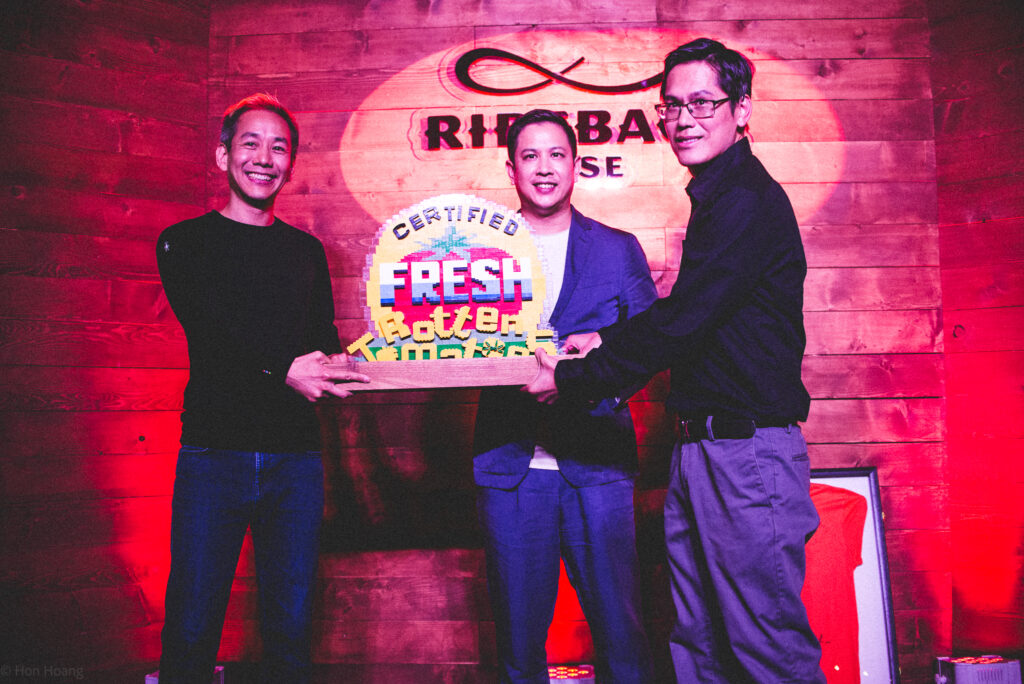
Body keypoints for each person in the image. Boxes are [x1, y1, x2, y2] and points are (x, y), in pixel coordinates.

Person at [524, 39, 827, 683]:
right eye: (672, 106)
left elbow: (684, 321)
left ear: (741, 110)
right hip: (700, 454)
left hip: (745, 458)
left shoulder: (745, 198)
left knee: (766, 650)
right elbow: (697, 313)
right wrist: (605, 343)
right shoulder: (718, 198)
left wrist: (573, 377)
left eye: (703, 103)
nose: (684, 118)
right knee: (700, 646)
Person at [156, 93, 368, 683]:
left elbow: (321, 342)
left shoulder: (306, 251)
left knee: (291, 630)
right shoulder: (183, 242)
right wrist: (286, 369)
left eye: (279, 147)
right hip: (213, 457)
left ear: (291, 165)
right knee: (192, 629)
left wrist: (372, 360)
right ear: (223, 156)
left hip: (295, 462)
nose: (264, 157)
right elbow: (214, 329)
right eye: (251, 143)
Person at [473, 109, 657, 684]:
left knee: (622, 633)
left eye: (556, 155)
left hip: (598, 465)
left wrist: (590, 370)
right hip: (511, 467)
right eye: (530, 156)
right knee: (518, 639)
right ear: (511, 168)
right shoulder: (475, 251)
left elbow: (648, 348)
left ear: (576, 166)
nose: (544, 169)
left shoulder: (618, 249)